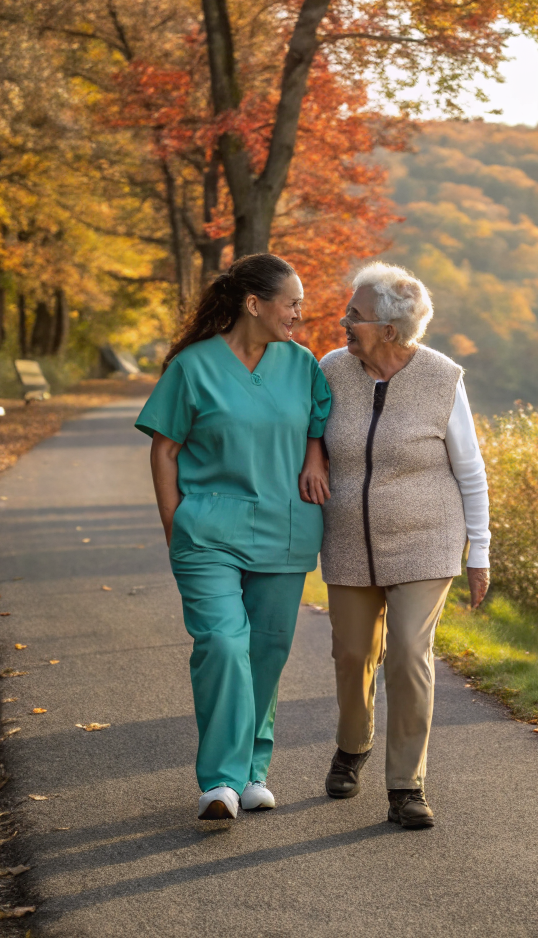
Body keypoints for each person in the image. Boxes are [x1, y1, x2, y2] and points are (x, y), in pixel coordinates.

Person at [136, 254, 332, 821]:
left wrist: (315, 455)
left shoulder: (303, 365)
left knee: (265, 653)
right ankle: (220, 780)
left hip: (286, 527)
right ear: (254, 304)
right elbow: (164, 448)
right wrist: (176, 526)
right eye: (291, 302)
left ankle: (253, 772)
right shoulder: (192, 367)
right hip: (208, 534)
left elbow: (319, 421)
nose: (299, 312)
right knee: (223, 645)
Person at [316, 263, 490, 829]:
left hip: (426, 541)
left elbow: (470, 469)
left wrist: (479, 551)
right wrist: (314, 458)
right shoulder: (332, 370)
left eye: (356, 315)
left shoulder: (442, 378)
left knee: (410, 655)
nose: (345, 322)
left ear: (389, 330)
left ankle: (406, 785)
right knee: (352, 655)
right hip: (347, 539)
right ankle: (353, 744)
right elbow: (308, 435)